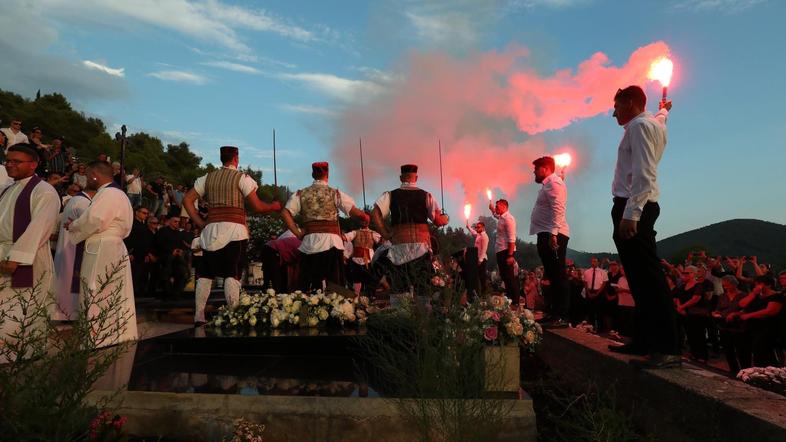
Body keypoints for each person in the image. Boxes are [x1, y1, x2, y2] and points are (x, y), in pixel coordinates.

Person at [607, 85, 680, 369]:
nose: (613, 113)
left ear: (629, 102)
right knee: (638, 278)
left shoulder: (638, 126)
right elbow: (662, 118)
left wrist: (631, 213)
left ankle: (667, 348)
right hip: (634, 205)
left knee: (648, 278)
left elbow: (645, 172)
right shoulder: (653, 122)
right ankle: (645, 340)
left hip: (634, 206)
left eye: (616, 106)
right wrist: (665, 109)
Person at [184, 146, 281, 325]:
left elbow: (187, 200)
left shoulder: (207, 178)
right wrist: (273, 207)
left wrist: (201, 223)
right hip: (234, 232)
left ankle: (199, 315)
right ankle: (234, 314)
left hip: (211, 231)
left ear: (221, 158)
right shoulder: (242, 178)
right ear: (236, 158)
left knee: (205, 274)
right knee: (232, 272)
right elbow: (258, 207)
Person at [67, 161, 137, 347]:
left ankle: (96, 339)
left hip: (101, 247)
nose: (87, 179)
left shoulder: (107, 193)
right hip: (116, 245)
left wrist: (73, 226)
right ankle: (116, 334)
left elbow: (94, 220)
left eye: (89, 175)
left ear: (95, 174)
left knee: (94, 289)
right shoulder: (121, 194)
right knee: (115, 291)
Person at [0, 144, 60, 346]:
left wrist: (16, 257)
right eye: (8, 160)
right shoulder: (7, 189)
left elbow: (40, 226)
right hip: (4, 252)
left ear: (33, 164)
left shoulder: (44, 191)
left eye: (16, 161)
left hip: (26, 257)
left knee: (22, 309)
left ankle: (24, 354)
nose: (9, 165)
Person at [282, 162, 368, 292]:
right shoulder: (335, 193)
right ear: (327, 174)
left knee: (308, 286)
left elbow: (285, 213)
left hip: (309, 244)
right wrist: (365, 216)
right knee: (335, 288)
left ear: (312, 174)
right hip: (332, 243)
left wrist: (298, 233)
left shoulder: (301, 194)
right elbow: (354, 211)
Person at [371, 164, 449, 295]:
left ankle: (400, 313)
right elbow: (438, 221)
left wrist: (385, 232)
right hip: (421, 250)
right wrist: (446, 218)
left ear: (401, 178)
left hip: (399, 252)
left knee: (400, 292)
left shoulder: (391, 195)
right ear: (416, 178)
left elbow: (375, 213)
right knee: (423, 292)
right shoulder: (426, 196)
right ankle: (423, 313)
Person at [530, 156, 570, 326]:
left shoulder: (554, 183)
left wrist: (553, 233)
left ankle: (561, 315)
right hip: (546, 233)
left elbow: (558, 208)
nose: (534, 172)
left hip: (553, 234)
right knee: (552, 275)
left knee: (557, 274)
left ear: (545, 168)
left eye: (536, 169)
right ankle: (553, 312)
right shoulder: (550, 183)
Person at [53, 186, 95, 321]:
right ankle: (70, 313)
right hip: (74, 248)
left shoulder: (75, 200)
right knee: (71, 278)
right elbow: (89, 225)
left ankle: (64, 312)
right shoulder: (83, 203)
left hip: (69, 246)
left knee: (65, 278)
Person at [732, 275, 784, 367]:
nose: (757, 286)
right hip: (752, 328)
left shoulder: (776, 296)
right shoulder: (757, 296)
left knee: (763, 353)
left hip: (767, 329)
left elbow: (770, 311)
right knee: (751, 352)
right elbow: (742, 304)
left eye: (759, 284)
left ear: (768, 285)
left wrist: (749, 315)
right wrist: (753, 294)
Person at [712, 275, 749, 374]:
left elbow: (747, 309)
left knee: (742, 351)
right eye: (724, 286)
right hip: (724, 326)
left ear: (734, 284)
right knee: (728, 351)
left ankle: (746, 371)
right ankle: (734, 371)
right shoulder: (722, 296)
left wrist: (736, 314)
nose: (725, 288)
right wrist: (715, 313)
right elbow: (718, 308)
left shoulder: (744, 296)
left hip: (739, 327)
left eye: (727, 285)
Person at [488, 198, 519, 306]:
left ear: (504, 206)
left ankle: (515, 302)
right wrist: (492, 210)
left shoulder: (509, 219)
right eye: (495, 206)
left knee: (510, 277)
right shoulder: (502, 217)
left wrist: (510, 255)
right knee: (505, 277)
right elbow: (496, 216)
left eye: (497, 206)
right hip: (500, 250)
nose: (496, 208)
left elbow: (512, 239)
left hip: (507, 251)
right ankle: (509, 299)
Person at [153, 216, 189, 299]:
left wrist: (180, 250)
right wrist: (171, 251)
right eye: (175, 221)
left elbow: (181, 244)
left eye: (178, 222)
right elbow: (159, 244)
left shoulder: (178, 233)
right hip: (165, 256)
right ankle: (168, 293)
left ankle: (176, 293)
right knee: (166, 274)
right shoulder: (162, 231)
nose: (177, 223)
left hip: (177, 257)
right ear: (170, 221)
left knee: (182, 273)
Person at [124, 206, 156, 298]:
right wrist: (129, 253)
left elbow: (145, 241)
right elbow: (127, 239)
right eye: (143, 213)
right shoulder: (131, 224)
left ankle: (140, 295)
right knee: (134, 276)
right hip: (134, 254)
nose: (145, 215)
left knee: (142, 275)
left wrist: (147, 254)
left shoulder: (144, 225)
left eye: (147, 213)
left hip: (143, 255)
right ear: (137, 213)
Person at [345, 217, 382, 296]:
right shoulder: (355, 232)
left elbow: (381, 242)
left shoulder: (373, 233)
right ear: (360, 221)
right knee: (356, 280)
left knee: (369, 280)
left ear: (368, 222)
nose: (364, 222)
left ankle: (370, 298)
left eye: (366, 220)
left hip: (369, 260)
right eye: (362, 220)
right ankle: (356, 297)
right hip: (356, 260)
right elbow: (345, 237)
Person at [582, 257, 608, 331]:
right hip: (589, 292)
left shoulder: (602, 272)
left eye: (595, 261)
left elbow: (604, 283)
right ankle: (591, 327)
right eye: (592, 261)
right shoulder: (587, 271)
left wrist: (597, 293)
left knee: (599, 311)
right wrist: (588, 292)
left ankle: (600, 328)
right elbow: (585, 282)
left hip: (599, 293)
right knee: (590, 311)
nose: (593, 263)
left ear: (598, 262)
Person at [465, 220, 489, 296]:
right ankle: (477, 293)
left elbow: (484, 249)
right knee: (476, 276)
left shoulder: (485, 237)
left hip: (482, 260)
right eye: (476, 227)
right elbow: (473, 232)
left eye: (478, 227)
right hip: (477, 258)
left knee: (482, 277)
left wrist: (480, 260)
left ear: (483, 228)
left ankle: (484, 294)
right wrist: (468, 227)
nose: (476, 228)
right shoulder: (478, 235)